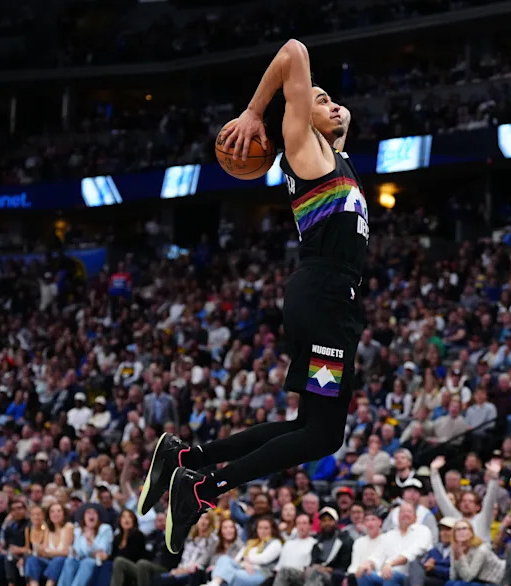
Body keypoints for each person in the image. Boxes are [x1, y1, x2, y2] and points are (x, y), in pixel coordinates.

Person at [137, 39, 371, 555]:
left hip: (329, 300)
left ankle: (186, 459)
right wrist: (253, 112)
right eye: (321, 99)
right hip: (325, 298)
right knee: (322, 435)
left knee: (312, 427)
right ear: (298, 116)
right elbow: (293, 50)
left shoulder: (334, 155)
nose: (335, 105)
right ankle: (203, 487)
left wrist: (330, 112)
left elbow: (343, 119)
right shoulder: (304, 148)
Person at [355, 502, 433, 586]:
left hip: (409, 577)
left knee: (391, 575)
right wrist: (366, 564)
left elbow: (412, 553)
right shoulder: (390, 535)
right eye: (402, 512)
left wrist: (390, 564)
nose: (405, 514)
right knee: (364, 574)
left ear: (415, 516)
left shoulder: (422, 531)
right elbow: (377, 556)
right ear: (397, 516)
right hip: (386, 573)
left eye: (409, 511)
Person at [199, 515, 282, 586]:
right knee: (224, 559)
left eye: (266, 528)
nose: (263, 531)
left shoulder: (275, 543)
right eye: (260, 528)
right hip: (243, 571)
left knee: (221, 577)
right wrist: (245, 563)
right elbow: (237, 560)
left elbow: (263, 559)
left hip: (260, 574)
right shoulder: (251, 543)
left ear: (272, 529)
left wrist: (247, 560)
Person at [54, 505, 112, 586]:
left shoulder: (105, 529)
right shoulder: (78, 530)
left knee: (87, 562)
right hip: (81, 559)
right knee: (70, 561)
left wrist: (90, 541)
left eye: (94, 513)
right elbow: (78, 552)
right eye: (88, 513)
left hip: (96, 561)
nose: (91, 515)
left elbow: (102, 553)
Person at [24, 502, 74, 586]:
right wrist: (42, 551)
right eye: (52, 511)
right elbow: (43, 549)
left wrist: (47, 552)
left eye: (58, 511)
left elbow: (65, 551)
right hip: (49, 560)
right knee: (31, 559)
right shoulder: (47, 528)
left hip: (63, 561)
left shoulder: (68, 527)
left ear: (64, 513)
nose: (55, 514)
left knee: (58, 560)